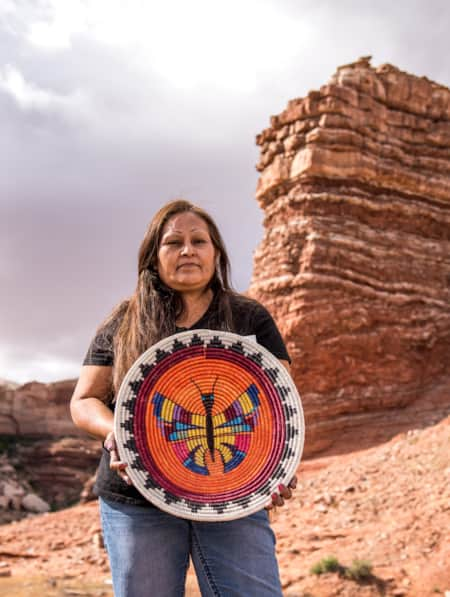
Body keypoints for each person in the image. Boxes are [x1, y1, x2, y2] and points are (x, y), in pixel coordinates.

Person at [70, 199, 297, 597]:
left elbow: (276, 404)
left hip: (232, 497)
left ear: (216, 253)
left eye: (199, 241)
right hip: (138, 499)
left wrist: (278, 464)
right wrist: (118, 435)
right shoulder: (124, 321)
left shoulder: (249, 317)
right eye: (174, 242)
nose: (188, 250)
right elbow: (84, 401)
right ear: (154, 257)